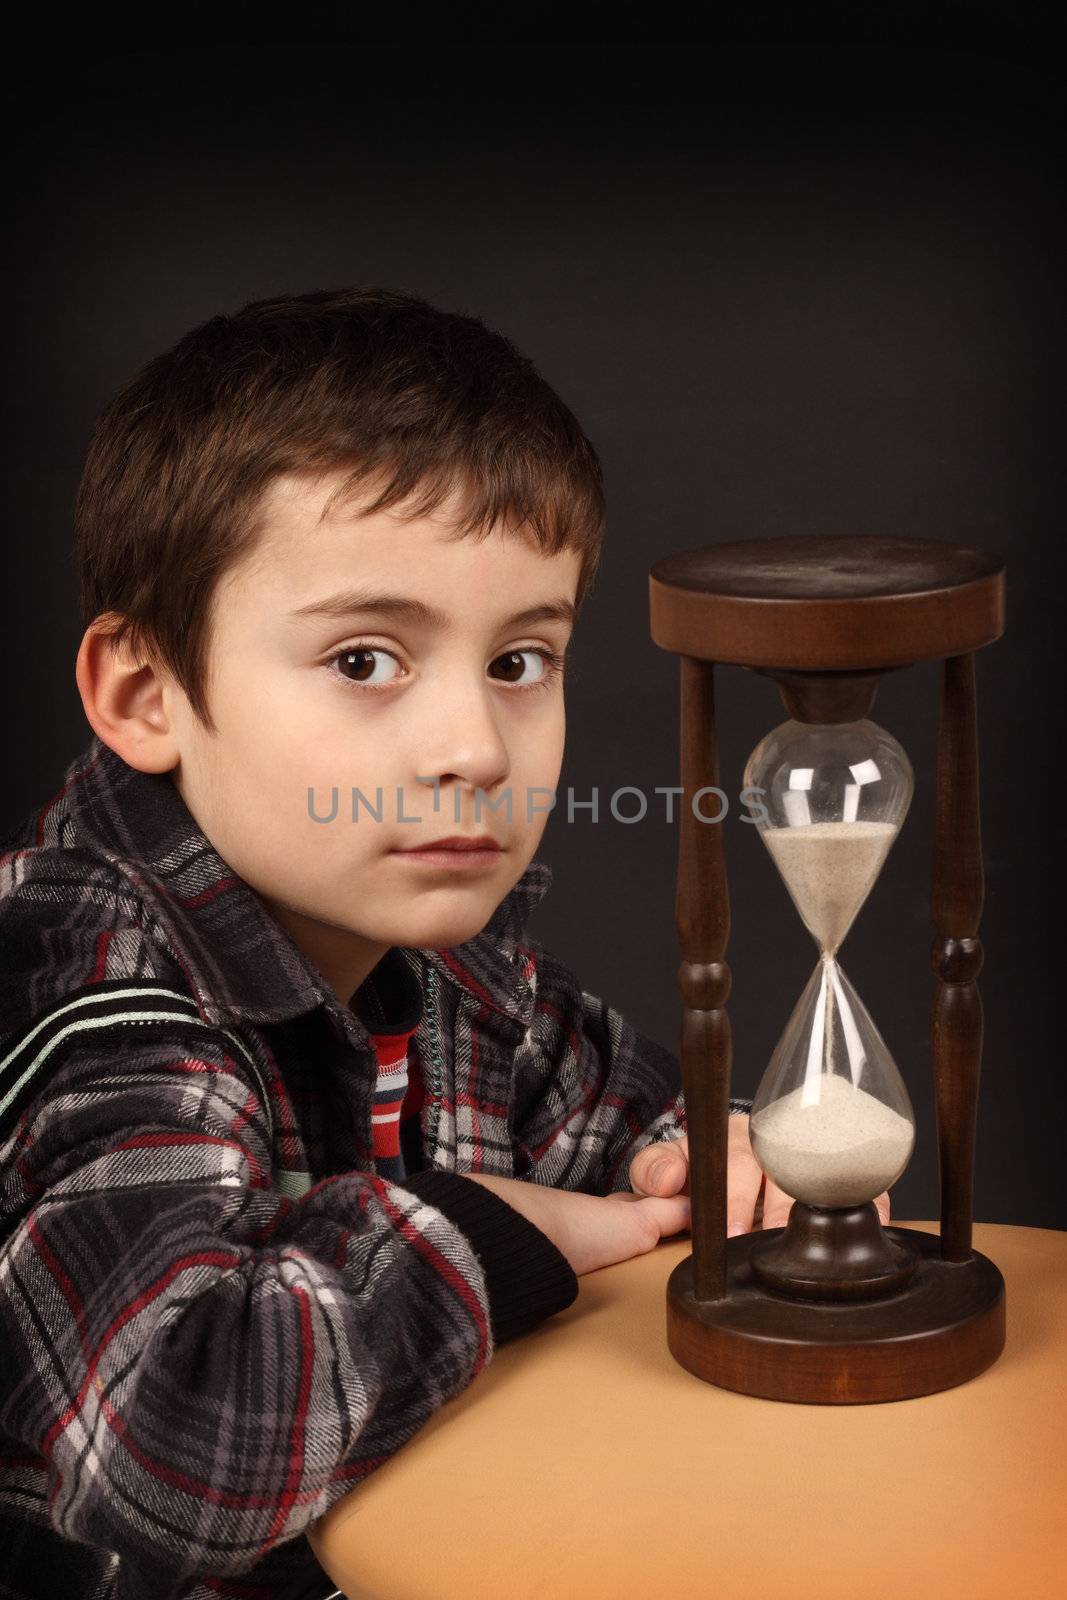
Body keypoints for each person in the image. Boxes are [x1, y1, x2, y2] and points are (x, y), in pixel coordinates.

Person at [0, 288, 889, 1600]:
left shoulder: (458, 966)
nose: (475, 749)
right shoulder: (82, 975)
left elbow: (640, 1130)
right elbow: (178, 1433)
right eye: (367, 661)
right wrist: (493, 1228)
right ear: (148, 696)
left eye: (522, 660)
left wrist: (730, 1157)